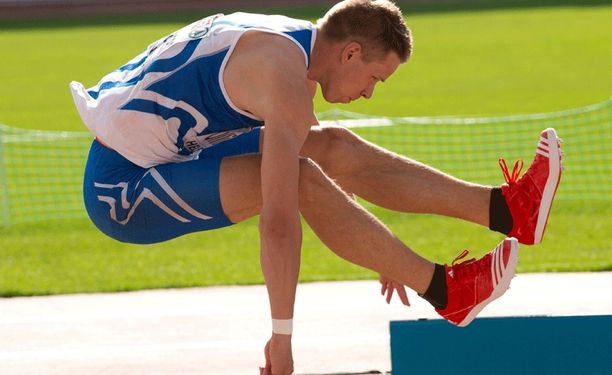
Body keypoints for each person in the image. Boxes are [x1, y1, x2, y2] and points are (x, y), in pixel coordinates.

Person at [69, 1, 563, 374]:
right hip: (122, 190)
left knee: (334, 147)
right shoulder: (283, 80)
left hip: (167, 153)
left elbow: (324, 168)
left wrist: (380, 250)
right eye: (374, 77)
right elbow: (279, 221)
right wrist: (281, 338)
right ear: (350, 52)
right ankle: (446, 290)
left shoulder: (296, 44)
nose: (369, 93)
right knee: (301, 176)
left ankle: (507, 209)